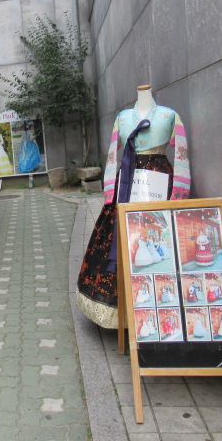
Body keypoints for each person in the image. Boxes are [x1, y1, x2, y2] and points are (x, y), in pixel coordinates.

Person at [77, 86, 190, 328]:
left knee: (162, 233)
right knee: (120, 235)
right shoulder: (123, 118)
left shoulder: (169, 115)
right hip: (128, 182)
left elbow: (181, 154)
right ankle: (120, 312)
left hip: (159, 181)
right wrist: (110, 192)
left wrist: (179, 195)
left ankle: (166, 307)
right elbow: (112, 156)